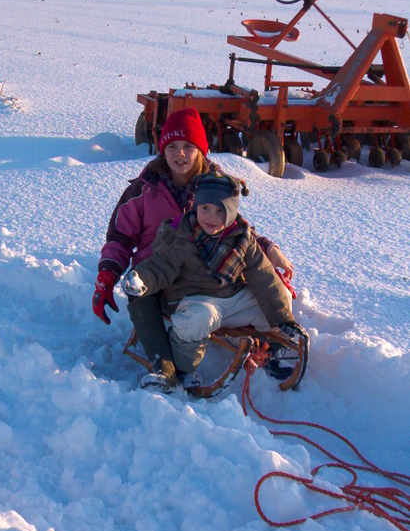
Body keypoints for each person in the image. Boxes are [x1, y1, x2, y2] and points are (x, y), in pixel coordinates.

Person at [92, 107, 294, 381]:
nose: (180, 154)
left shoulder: (216, 184)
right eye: (172, 146)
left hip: (206, 273)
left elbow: (237, 228)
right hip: (159, 273)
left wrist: (270, 249)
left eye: (189, 146)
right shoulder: (143, 190)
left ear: (201, 149)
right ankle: (163, 366)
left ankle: (269, 347)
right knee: (140, 292)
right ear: (162, 149)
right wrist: (107, 274)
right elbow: (119, 237)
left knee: (263, 286)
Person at [121, 169, 300, 393]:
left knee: (278, 295)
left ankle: (268, 350)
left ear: (232, 213)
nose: (211, 218)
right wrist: (142, 278)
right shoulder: (181, 235)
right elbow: (161, 266)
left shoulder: (242, 238)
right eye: (205, 208)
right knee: (196, 320)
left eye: (220, 211)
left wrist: (283, 317)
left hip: (233, 297)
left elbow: (263, 275)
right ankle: (184, 368)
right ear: (196, 206)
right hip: (198, 299)